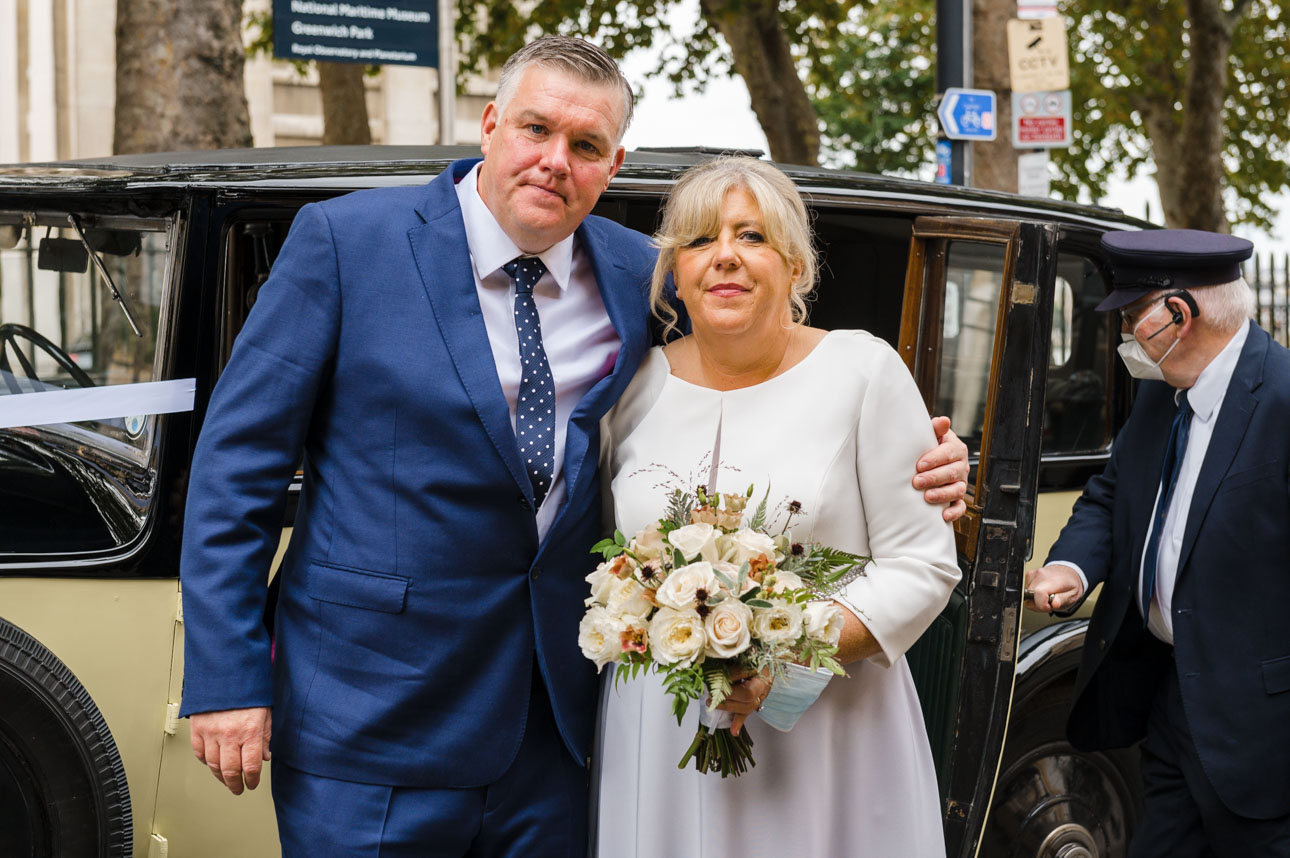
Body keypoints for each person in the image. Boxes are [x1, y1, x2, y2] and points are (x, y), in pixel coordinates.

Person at [179, 37, 970, 856]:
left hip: (558, 739)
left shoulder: (638, 275)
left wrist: (931, 456)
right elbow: (237, 470)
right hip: (370, 722)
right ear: (491, 125)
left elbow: (762, 378)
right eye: (536, 129)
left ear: (612, 164)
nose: (555, 161)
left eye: (586, 145)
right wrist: (227, 677)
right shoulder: (346, 243)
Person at [595, 156, 961, 857]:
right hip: (660, 730)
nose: (724, 256)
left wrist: (783, 653)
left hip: (830, 734)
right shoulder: (631, 386)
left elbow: (922, 566)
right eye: (700, 240)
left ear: (795, 265)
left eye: (752, 236)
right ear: (676, 272)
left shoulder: (862, 371)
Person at [1025, 229, 1290, 856]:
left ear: (1177, 313)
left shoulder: (1282, 398)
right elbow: (1114, 491)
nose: (1123, 336)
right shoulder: (1160, 391)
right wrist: (1071, 567)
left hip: (1262, 731)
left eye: (1130, 317)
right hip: (1170, 703)